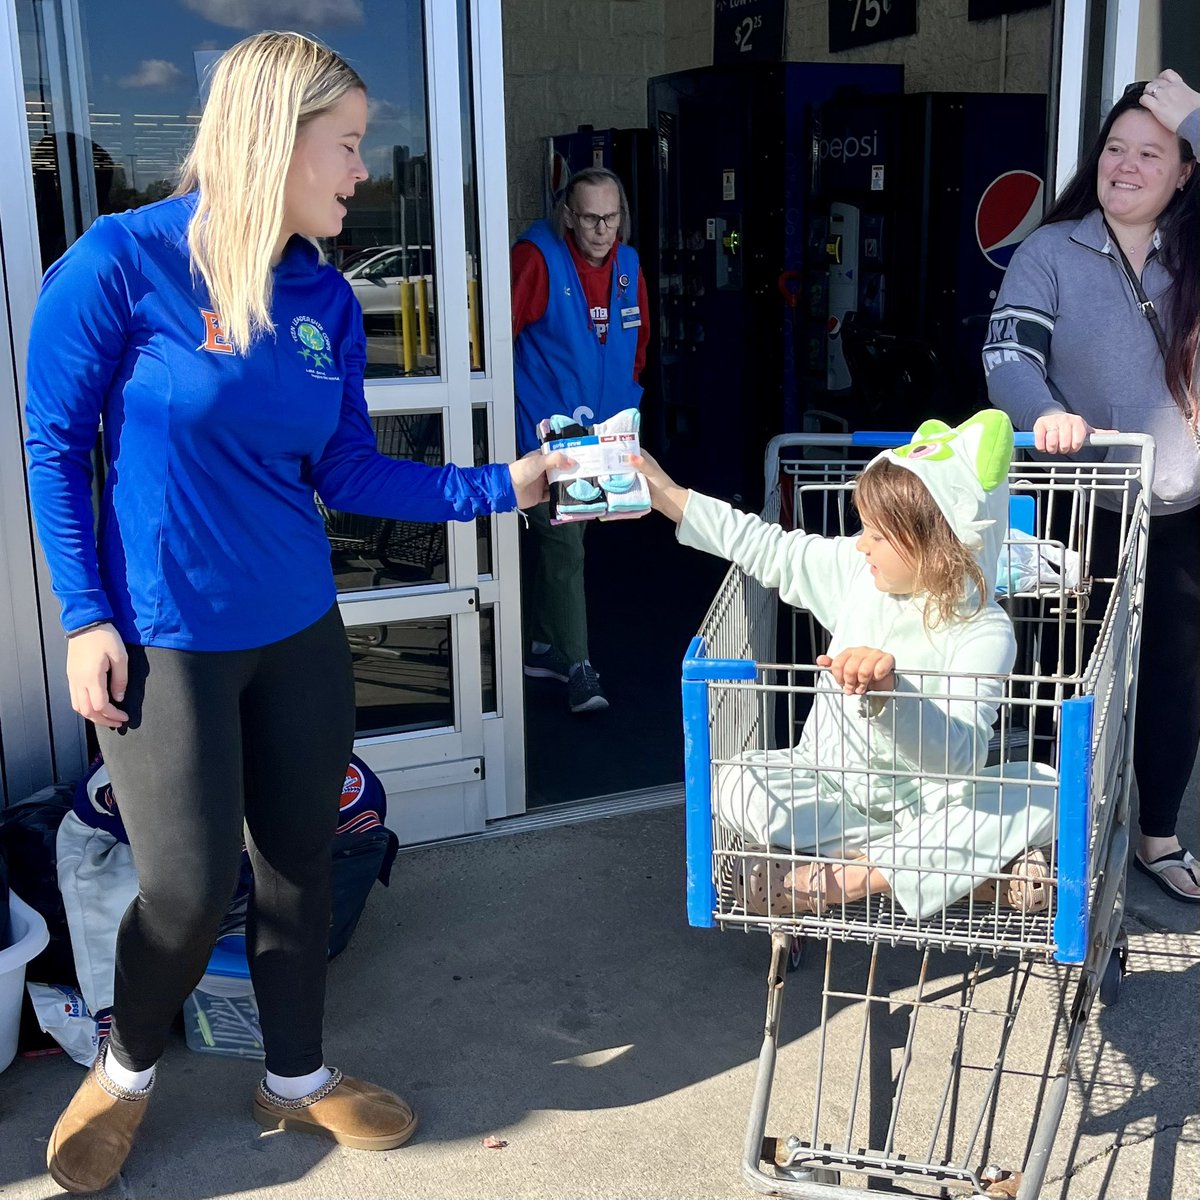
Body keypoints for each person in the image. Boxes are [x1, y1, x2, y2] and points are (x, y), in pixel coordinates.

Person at [23, 32, 569, 1195]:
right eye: (349, 145)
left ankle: (297, 1076)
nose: (363, 171)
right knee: (179, 891)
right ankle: (124, 1073)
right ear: (275, 140)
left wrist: (507, 485)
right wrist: (84, 617)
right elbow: (55, 448)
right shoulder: (120, 263)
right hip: (166, 642)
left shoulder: (320, 291)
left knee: (298, 868)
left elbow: (351, 472)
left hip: (297, 632)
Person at [636, 410, 1056, 919]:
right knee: (731, 781)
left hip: (929, 804)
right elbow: (767, 547)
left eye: (878, 535)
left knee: (1045, 789)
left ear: (937, 545)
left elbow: (961, 758)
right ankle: (960, 875)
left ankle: (850, 880)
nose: (862, 543)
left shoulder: (984, 630)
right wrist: (667, 493)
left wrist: (890, 696)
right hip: (833, 785)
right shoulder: (859, 574)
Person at [984, 69, 1200, 904]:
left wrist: (1196, 118)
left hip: (1180, 510)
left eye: (1154, 152)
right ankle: (1042, 836)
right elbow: (1009, 357)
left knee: (1176, 676)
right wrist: (1043, 416)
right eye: (1116, 148)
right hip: (1082, 503)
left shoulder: (1193, 251)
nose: (1127, 165)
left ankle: (1157, 835)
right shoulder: (1053, 249)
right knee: (1060, 673)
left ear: (1185, 171)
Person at [511, 166, 650, 714]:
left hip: (604, 436)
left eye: (610, 217)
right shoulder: (537, 259)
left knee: (565, 544)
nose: (600, 229)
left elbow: (637, 346)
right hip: (548, 435)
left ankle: (542, 646)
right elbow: (495, 337)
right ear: (568, 215)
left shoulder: (629, 264)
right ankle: (579, 667)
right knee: (563, 543)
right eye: (590, 217)